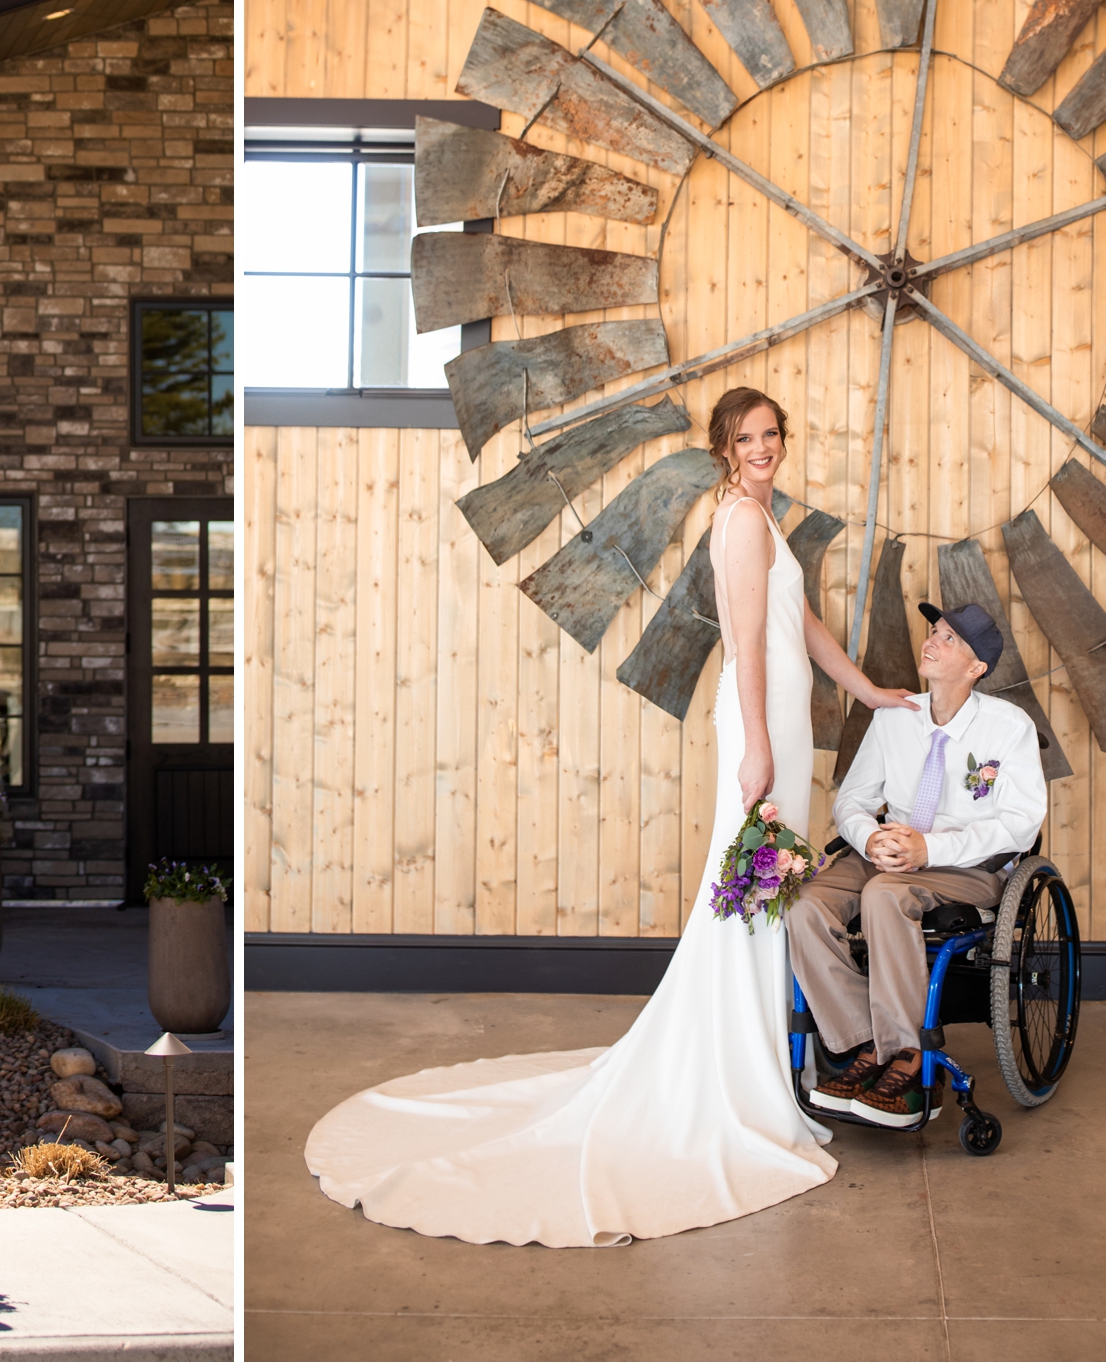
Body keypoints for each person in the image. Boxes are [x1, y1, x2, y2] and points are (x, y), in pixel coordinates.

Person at [304, 388, 917, 1245]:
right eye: (749, 438)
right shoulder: (739, 521)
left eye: (773, 434)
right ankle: (735, 1078)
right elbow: (742, 641)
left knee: (766, 898)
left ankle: (761, 1066)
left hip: (783, 713)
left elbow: (800, 622)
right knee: (748, 895)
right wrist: (756, 749)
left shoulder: (765, 518)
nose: (765, 447)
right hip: (760, 720)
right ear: (725, 448)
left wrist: (867, 693)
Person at [793, 598, 1047, 1127]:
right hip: (892, 848)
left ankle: (907, 1055)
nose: (931, 640)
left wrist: (930, 850)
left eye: (950, 638)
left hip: (966, 862)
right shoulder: (895, 716)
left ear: (976, 668)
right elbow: (852, 800)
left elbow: (1020, 823)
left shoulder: (1009, 726)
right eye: (933, 631)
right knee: (804, 905)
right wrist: (870, 841)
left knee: (885, 896)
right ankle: (863, 1044)